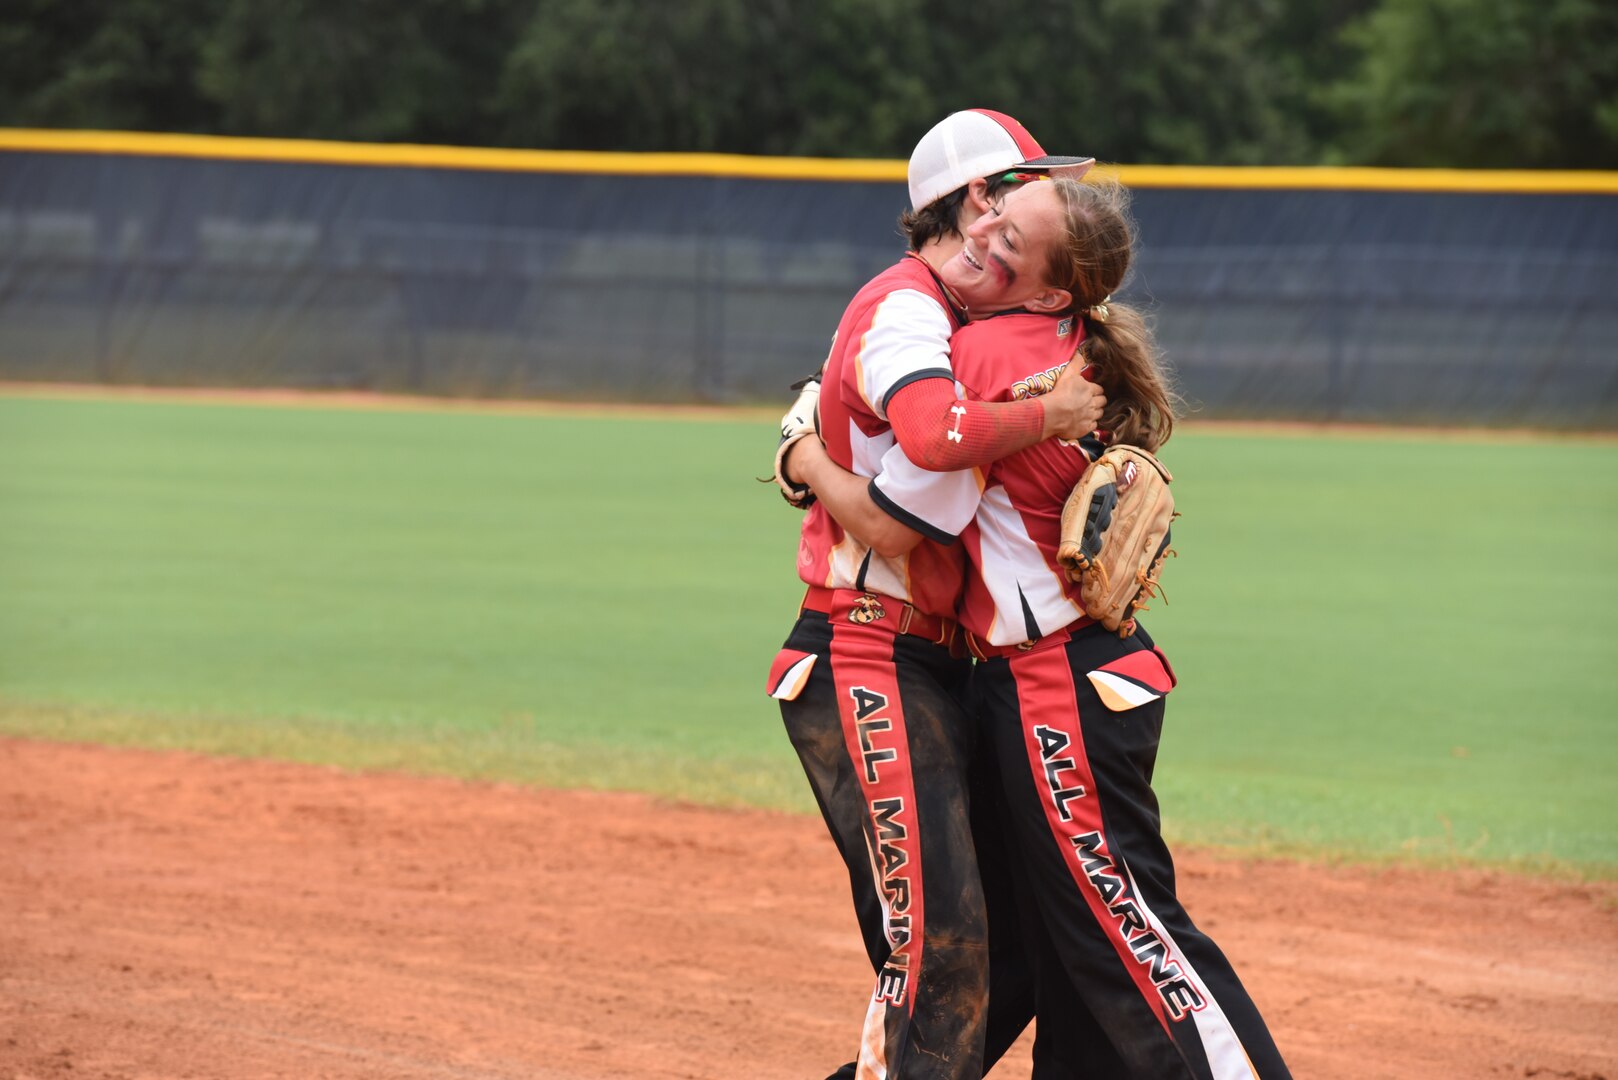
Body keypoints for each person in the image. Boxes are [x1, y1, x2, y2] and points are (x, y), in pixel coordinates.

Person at [790, 175, 1294, 1078]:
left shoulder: (983, 355)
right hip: (1075, 675)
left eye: (1011, 240)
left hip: (1055, 680)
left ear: (1053, 291)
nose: (983, 235)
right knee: (1060, 951)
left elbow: (893, 519)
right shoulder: (1057, 339)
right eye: (989, 214)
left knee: (1122, 930)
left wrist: (805, 450)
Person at [766, 110, 1107, 1080]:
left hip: (946, 662)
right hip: (863, 649)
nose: (1050, 203)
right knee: (941, 953)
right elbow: (916, 465)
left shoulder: (981, 328)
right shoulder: (909, 306)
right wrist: (1052, 413)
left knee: (1018, 954)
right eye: (1027, 184)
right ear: (976, 202)